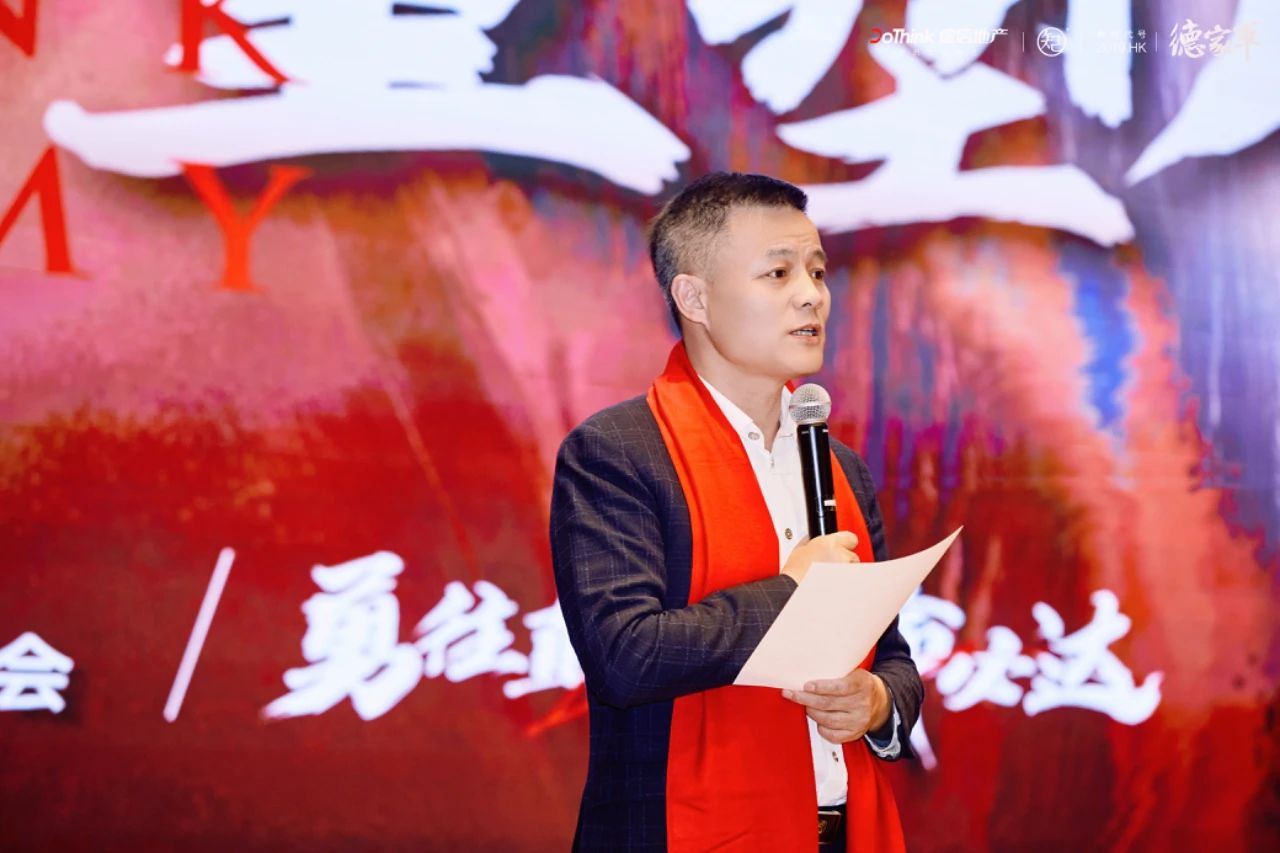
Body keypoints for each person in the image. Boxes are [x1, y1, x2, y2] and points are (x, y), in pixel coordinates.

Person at [550, 172, 923, 852]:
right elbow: (625, 655)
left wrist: (877, 702)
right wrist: (791, 592)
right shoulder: (618, 451)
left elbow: (892, 654)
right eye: (778, 273)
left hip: (842, 830)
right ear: (693, 297)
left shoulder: (838, 465)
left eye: (816, 271)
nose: (811, 294)